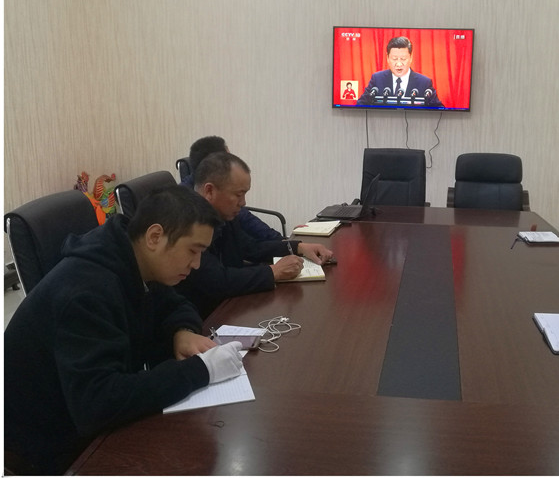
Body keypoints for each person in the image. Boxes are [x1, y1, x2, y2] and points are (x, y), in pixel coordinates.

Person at [4, 186, 246, 475]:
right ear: (155, 236)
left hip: (79, 417)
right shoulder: (87, 293)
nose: (196, 264)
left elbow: (175, 304)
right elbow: (98, 404)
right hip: (41, 446)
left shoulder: (135, 258)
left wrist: (182, 331)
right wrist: (202, 370)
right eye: (193, 251)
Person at [176, 152, 334, 318]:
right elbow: (216, 281)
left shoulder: (222, 214)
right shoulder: (186, 221)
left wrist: (298, 247)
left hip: (230, 305)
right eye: (238, 195)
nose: (243, 202)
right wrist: (273, 271)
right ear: (209, 191)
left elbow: (250, 247)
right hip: (204, 315)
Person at [180, 135, 283, 241]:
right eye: (227, 160)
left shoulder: (224, 206)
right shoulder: (186, 216)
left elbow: (250, 240)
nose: (243, 203)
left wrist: (285, 242)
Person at [356, 36, 443, 107]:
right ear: (387, 58)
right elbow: (360, 105)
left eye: (403, 59)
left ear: (411, 57)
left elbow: (439, 110)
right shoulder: (377, 79)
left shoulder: (424, 82)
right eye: (394, 59)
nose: (398, 64)